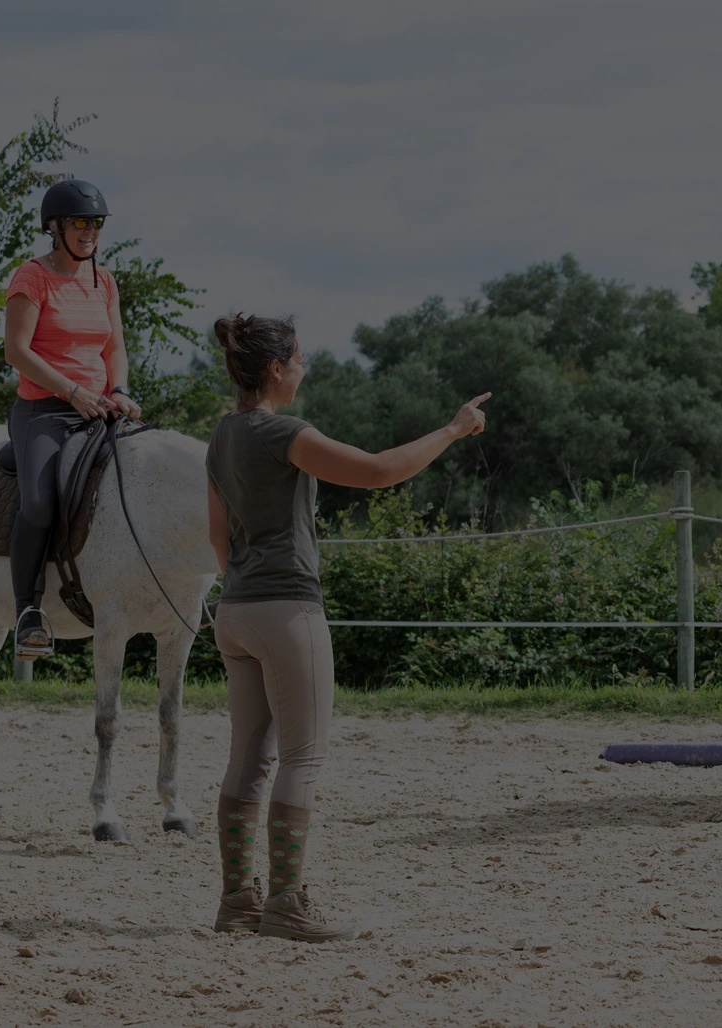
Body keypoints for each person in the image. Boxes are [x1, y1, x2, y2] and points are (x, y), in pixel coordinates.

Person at [205, 313, 488, 941]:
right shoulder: (284, 433)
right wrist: (453, 428)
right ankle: (285, 903)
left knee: (246, 760)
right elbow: (380, 471)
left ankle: (235, 903)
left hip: (236, 612)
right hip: (287, 610)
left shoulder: (221, 436)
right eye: (299, 360)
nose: (304, 369)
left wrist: (244, 589)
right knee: (302, 757)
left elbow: (218, 533)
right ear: (276, 370)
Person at [1, 178, 141, 659]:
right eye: (81, 222)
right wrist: (72, 390)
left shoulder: (104, 280)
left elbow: (114, 347)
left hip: (99, 408)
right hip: (44, 410)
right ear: (55, 227)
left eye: (96, 223)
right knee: (38, 503)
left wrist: (118, 389)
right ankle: (27, 612)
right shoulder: (31, 278)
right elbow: (16, 351)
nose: (90, 232)